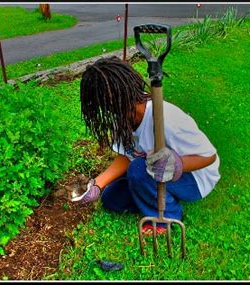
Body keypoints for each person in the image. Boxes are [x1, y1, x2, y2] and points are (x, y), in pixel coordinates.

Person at [72, 56, 220, 235]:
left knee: (138, 170)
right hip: (153, 171)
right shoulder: (123, 117)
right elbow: (127, 155)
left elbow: (209, 156)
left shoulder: (166, 117)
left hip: (195, 178)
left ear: (114, 100)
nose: (104, 112)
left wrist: (177, 164)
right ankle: (156, 194)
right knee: (111, 199)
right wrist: (97, 185)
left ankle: (168, 217)